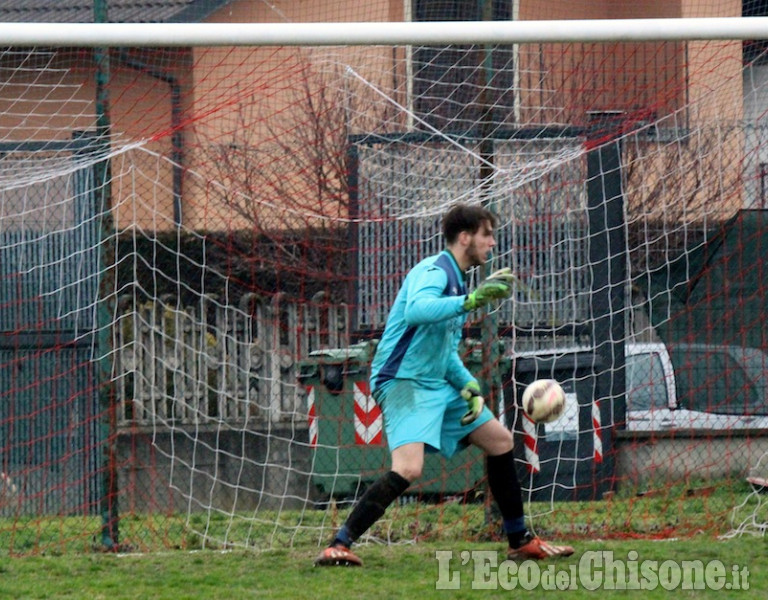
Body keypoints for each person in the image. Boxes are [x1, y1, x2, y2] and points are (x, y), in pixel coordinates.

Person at [314, 203, 574, 567]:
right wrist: (468, 301)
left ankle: (519, 540)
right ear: (465, 237)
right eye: (487, 234)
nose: (493, 243)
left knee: (499, 441)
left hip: (434, 383)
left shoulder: (458, 280)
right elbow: (416, 311)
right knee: (409, 469)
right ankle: (338, 544)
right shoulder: (434, 270)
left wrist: (468, 385)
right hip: (403, 381)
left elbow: (446, 351)